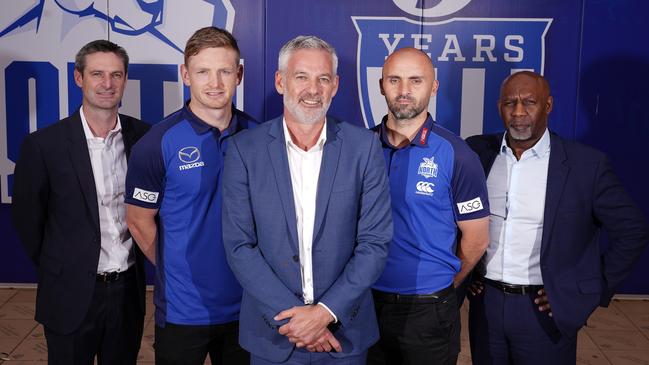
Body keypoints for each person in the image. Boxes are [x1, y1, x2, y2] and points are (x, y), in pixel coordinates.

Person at [221, 35, 392, 365]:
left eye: (323, 78)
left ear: (336, 85)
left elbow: (375, 243)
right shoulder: (245, 150)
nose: (313, 90)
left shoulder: (364, 148)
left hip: (344, 336)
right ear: (281, 81)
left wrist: (324, 314)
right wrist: (297, 322)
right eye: (301, 77)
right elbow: (239, 245)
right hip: (275, 336)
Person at [466, 71, 649, 364]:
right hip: (485, 304)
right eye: (509, 103)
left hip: (544, 312)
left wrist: (588, 289)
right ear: (499, 107)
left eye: (529, 102)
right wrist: (466, 271)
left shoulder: (586, 165)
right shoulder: (476, 152)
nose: (519, 112)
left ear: (548, 105)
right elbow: (449, 215)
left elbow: (632, 230)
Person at [11, 40, 149, 364]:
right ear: (78, 78)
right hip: (68, 294)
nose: (107, 84)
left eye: (116, 75)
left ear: (125, 79)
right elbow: (28, 222)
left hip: (127, 292)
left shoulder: (144, 137)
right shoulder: (44, 145)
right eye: (97, 74)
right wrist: (63, 267)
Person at [125, 27, 256, 365]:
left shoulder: (260, 137)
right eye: (202, 72)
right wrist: (180, 269)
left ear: (238, 74)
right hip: (185, 311)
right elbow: (139, 222)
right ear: (185, 74)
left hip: (249, 305)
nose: (215, 82)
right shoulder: (158, 143)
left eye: (225, 71)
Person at [365, 47, 490, 365]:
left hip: (428, 310)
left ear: (433, 87)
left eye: (416, 81)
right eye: (394, 80)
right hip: (365, 303)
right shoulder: (359, 147)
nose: (404, 91)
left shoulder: (457, 154)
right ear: (381, 85)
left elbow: (476, 239)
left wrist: (444, 286)